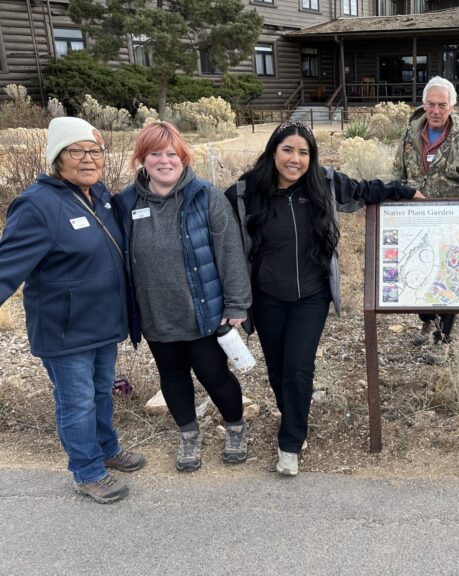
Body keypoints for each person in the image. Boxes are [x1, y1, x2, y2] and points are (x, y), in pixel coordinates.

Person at [226, 120, 422, 477]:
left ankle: (289, 442)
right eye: (288, 150)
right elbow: (218, 233)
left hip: (311, 296)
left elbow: (366, 190)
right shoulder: (244, 193)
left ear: (311, 158)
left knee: (298, 369)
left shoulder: (325, 184)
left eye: (304, 152)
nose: (295, 159)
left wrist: (404, 191)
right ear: (273, 151)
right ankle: (295, 419)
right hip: (266, 297)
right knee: (277, 370)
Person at [0, 117, 145, 503]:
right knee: (76, 401)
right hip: (64, 330)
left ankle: (106, 448)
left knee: (100, 392)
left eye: (94, 150)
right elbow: (6, 268)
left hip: (102, 323)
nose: (87, 159)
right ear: (56, 158)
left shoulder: (99, 196)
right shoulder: (37, 205)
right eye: (75, 151)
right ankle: (87, 471)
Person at [115, 122, 251, 472]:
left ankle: (236, 427)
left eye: (171, 153)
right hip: (156, 314)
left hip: (203, 312)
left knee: (214, 375)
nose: (164, 161)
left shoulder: (206, 196)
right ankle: (188, 435)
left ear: (183, 157)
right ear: (142, 160)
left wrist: (236, 303)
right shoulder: (126, 203)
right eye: (155, 154)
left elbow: (230, 252)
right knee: (172, 377)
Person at [393, 76, 459, 365]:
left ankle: (443, 339)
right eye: (431, 104)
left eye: (442, 105)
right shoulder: (409, 135)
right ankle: (426, 321)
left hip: (451, 225)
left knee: (449, 280)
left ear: (452, 106)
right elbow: (397, 173)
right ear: (423, 104)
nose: (435, 110)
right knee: (420, 274)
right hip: (415, 224)